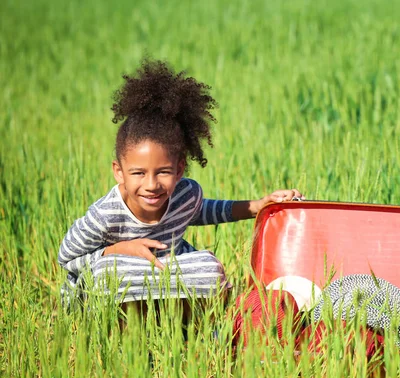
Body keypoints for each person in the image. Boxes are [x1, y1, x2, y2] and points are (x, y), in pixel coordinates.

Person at [57, 58, 303, 321]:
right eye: (138, 173)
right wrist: (118, 250)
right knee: (109, 272)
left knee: (210, 268)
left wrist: (258, 205)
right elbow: (67, 259)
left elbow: (203, 210)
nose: (151, 185)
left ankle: (186, 327)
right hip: (110, 286)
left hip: (163, 273)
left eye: (162, 172)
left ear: (179, 169)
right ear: (119, 171)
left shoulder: (185, 194)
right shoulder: (105, 214)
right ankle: (126, 335)